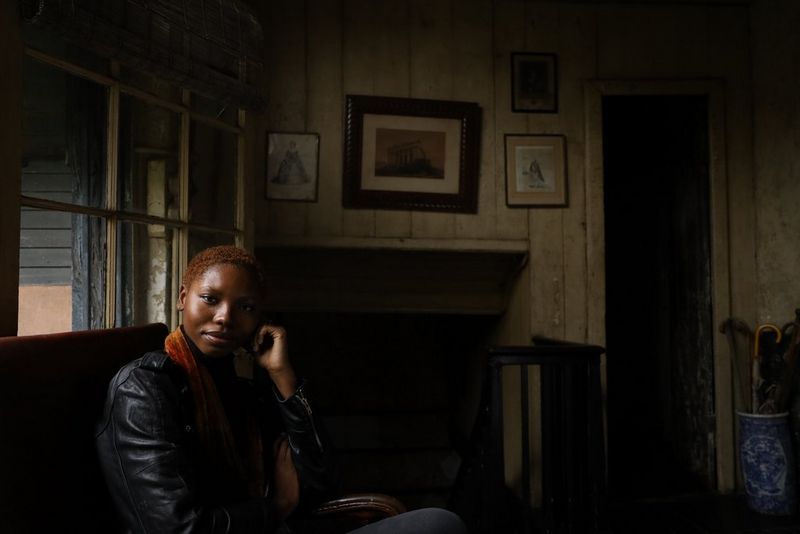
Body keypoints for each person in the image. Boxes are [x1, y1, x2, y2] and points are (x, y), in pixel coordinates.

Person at [96, 245, 465, 534]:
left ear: (259, 319)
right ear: (182, 298)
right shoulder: (145, 390)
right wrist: (276, 508)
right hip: (269, 526)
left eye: (246, 307)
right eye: (210, 299)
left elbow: (322, 483)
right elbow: (179, 529)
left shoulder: (240, 391)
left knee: (438, 523)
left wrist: (283, 376)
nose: (225, 317)